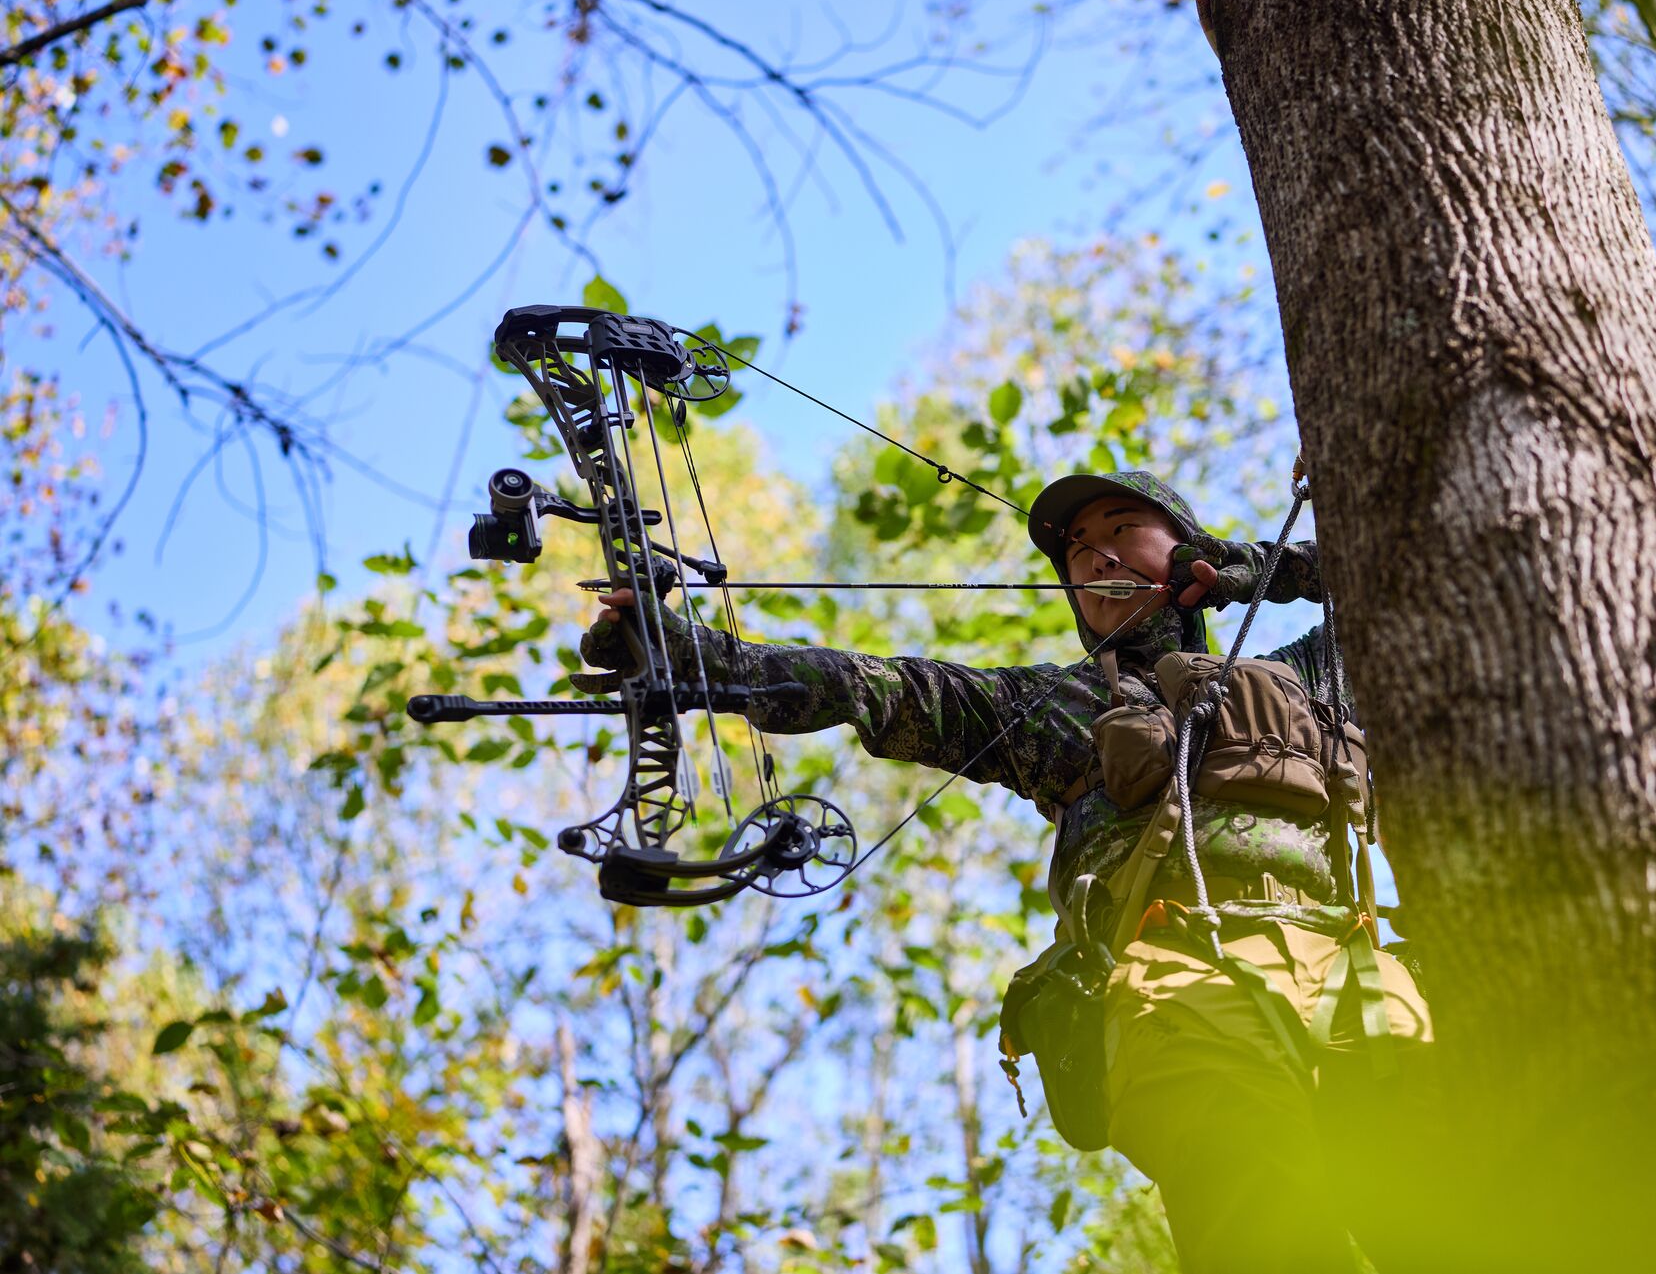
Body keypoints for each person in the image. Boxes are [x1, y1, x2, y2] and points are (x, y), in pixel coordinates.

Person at [579, 470, 1431, 1273]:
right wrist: (689, 655)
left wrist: (1263, 571)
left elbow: (1416, 565)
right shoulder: (1056, 707)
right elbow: (882, 689)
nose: (1094, 555)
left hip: (1356, 977)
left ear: (1187, 546)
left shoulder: (1307, 672)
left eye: (1122, 528)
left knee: (1456, 1209)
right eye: (1075, 552)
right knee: (1266, 1230)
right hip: (1182, 992)